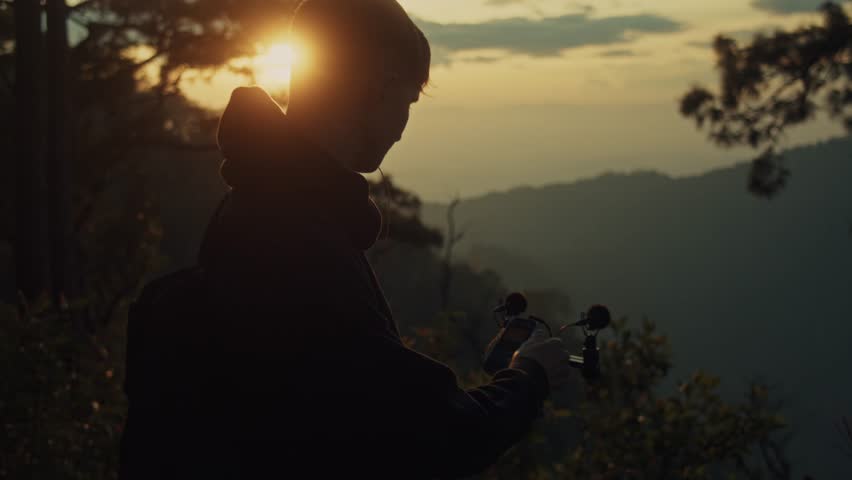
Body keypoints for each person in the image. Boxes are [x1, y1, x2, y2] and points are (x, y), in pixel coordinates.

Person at [119, 0, 576, 478]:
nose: (403, 126)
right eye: (407, 100)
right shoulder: (296, 239)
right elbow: (435, 435)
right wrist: (529, 377)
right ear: (375, 87)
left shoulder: (254, 204)